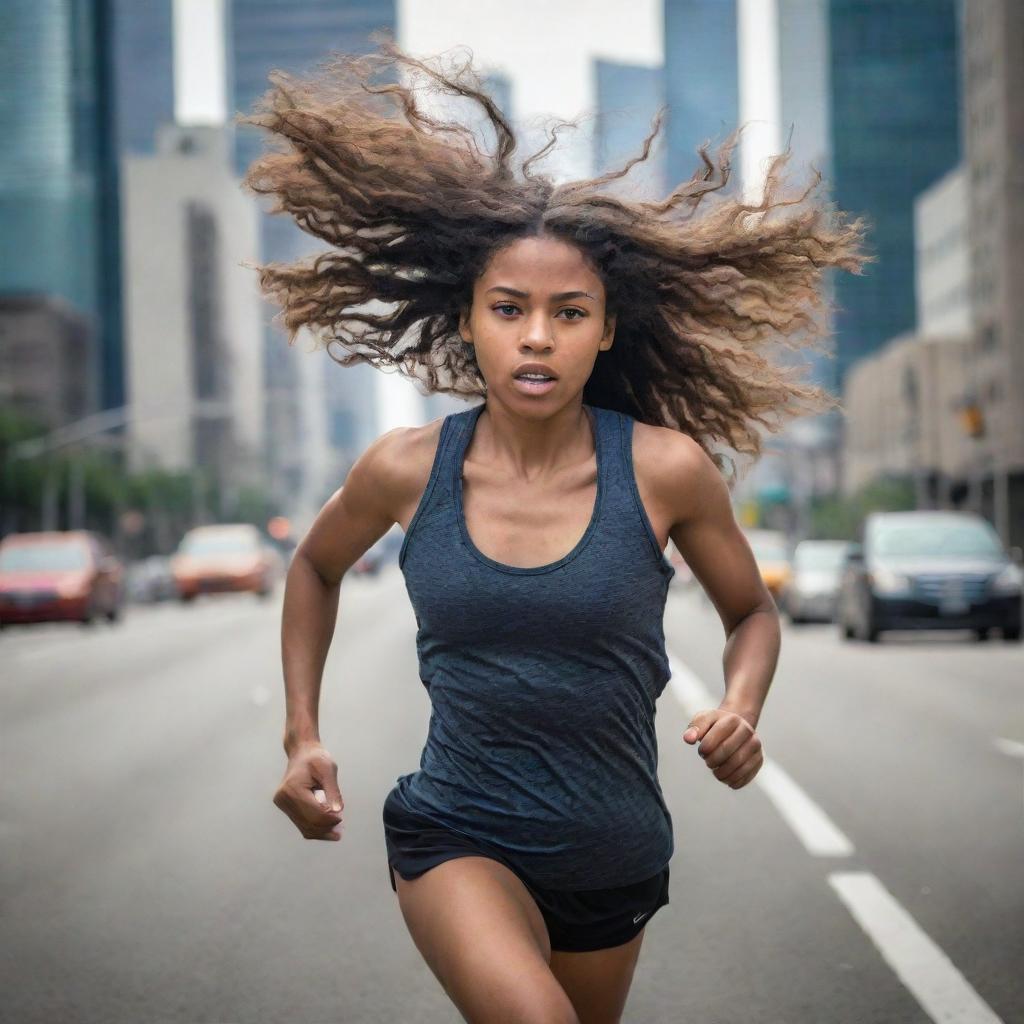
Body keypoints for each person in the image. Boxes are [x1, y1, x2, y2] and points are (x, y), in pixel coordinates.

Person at [242, 35, 869, 1024]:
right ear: (470, 323)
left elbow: (750, 609)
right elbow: (315, 567)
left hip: (613, 853)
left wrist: (744, 703)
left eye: (569, 312)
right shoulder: (405, 468)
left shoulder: (665, 470)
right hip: (457, 831)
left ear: (607, 330)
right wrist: (301, 732)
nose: (537, 334)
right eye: (510, 309)